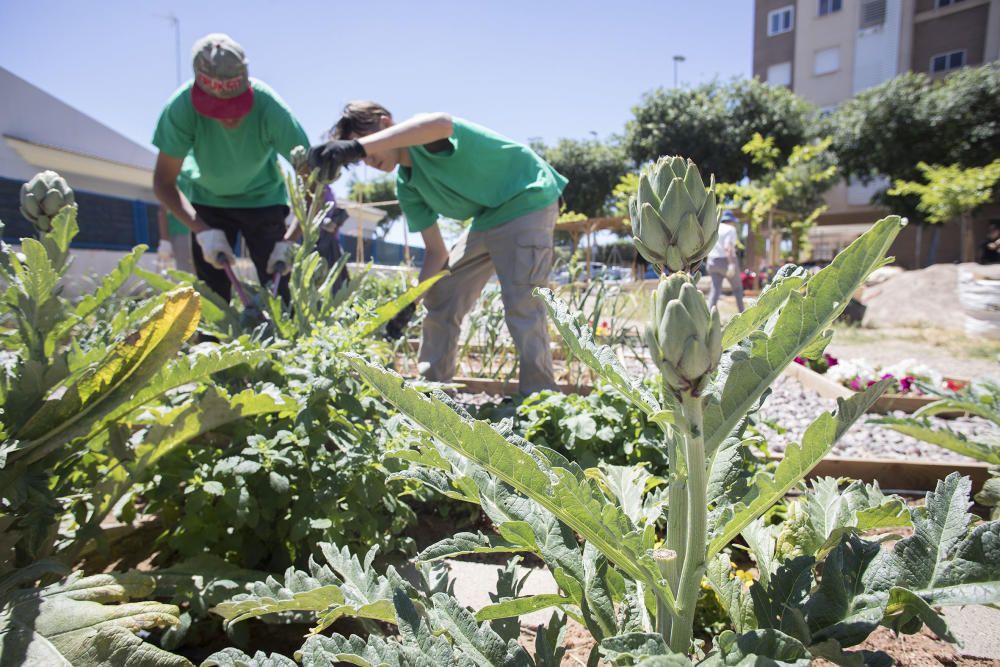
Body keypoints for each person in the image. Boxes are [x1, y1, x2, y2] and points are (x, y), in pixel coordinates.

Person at [307, 101, 567, 394]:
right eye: (359, 154)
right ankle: (434, 391)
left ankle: (541, 399)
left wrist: (356, 147)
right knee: (442, 295)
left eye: (365, 140)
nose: (366, 157)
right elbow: (436, 253)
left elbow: (442, 122)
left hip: (527, 197)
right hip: (489, 215)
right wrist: (409, 303)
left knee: (523, 301)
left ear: (386, 123)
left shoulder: (425, 137)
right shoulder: (408, 187)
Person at [152, 33, 309, 301]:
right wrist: (203, 232)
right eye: (218, 108)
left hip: (264, 199)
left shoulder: (270, 108)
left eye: (236, 106)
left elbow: (314, 180)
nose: (230, 117)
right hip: (207, 201)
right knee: (212, 299)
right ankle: (211, 344)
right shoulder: (181, 108)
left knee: (281, 290)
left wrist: (290, 241)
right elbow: (163, 182)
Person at [155, 159, 195, 273]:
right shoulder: (176, 180)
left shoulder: (191, 180)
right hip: (181, 235)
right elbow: (163, 211)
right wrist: (165, 240)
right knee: (185, 274)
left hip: (197, 233)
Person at [706, 210, 745, 312]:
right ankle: (742, 313)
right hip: (726, 261)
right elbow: (728, 247)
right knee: (737, 289)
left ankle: (709, 315)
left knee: (715, 290)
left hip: (712, 261)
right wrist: (731, 264)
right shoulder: (730, 229)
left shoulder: (714, 228)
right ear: (731, 221)